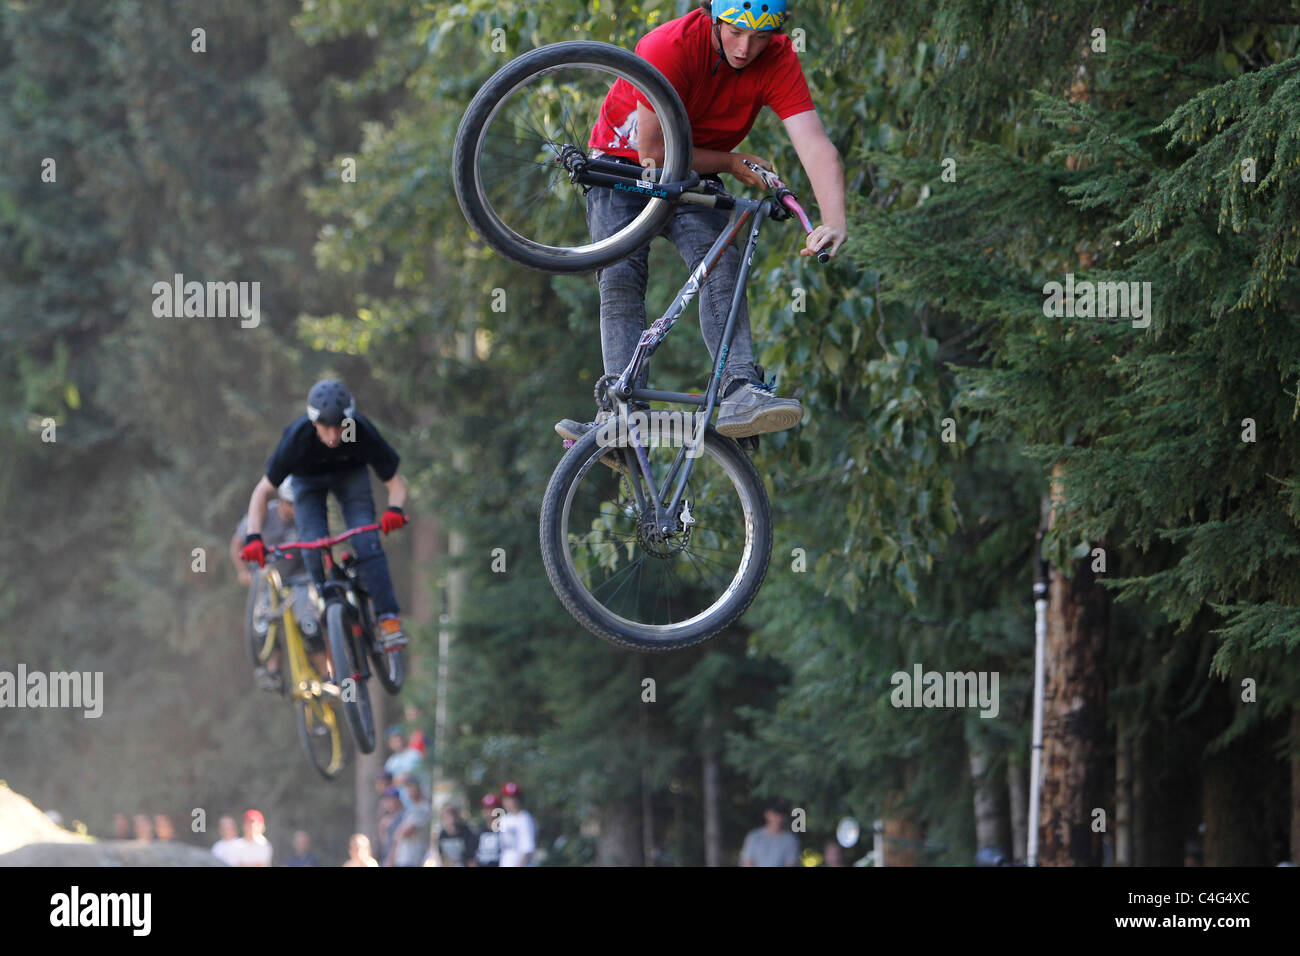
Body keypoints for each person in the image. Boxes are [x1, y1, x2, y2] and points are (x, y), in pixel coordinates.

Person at [556, 0, 847, 444]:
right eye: (735, 32)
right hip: (623, 163)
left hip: (693, 170)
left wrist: (834, 220)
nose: (745, 49)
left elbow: (814, 143)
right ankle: (621, 413)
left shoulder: (778, 59)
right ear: (713, 16)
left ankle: (738, 389)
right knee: (620, 277)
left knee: (720, 264)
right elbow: (654, 152)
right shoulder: (668, 46)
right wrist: (731, 161)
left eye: (761, 37)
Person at [238, 380, 408, 656]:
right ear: (312, 422)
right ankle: (326, 600)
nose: (332, 436)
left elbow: (396, 484)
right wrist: (253, 537)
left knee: (366, 539)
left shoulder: (361, 431)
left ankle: (388, 617)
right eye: (325, 427)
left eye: (340, 427)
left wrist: (395, 510)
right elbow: (263, 491)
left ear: (349, 421)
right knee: (313, 546)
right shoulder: (297, 437)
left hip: (352, 477)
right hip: (308, 483)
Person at [232, 477, 323, 692]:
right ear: (281, 501)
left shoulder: (308, 518)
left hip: (300, 579)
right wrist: (243, 571)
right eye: (290, 503)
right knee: (263, 623)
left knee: (310, 624)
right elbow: (237, 544)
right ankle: (274, 671)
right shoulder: (264, 515)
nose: (294, 509)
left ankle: (327, 676)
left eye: (298, 504)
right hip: (268, 579)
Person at [385, 779, 432, 867]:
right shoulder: (411, 809)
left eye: (412, 788)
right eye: (408, 788)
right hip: (402, 859)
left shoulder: (424, 808)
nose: (409, 791)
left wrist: (398, 832)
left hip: (414, 859)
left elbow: (406, 831)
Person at [739, 799, 799, 866]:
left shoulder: (790, 840)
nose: (779, 819)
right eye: (776, 814)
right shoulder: (754, 836)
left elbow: (790, 863)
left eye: (782, 815)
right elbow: (747, 861)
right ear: (767, 814)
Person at [498, 782, 536, 868]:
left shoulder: (524, 818)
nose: (511, 801)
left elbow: (527, 849)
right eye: (507, 798)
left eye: (513, 798)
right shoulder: (504, 819)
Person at [472, 793, 503, 868]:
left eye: (492, 808)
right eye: (487, 808)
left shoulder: (504, 830)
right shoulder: (478, 832)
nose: (489, 811)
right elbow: (472, 857)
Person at [376, 786, 404, 865]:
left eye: (392, 800)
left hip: (398, 859)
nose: (389, 803)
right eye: (387, 800)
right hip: (385, 856)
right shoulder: (384, 817)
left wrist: (391, 860)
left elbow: (397, 841)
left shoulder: (402, 817)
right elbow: (383, 840)